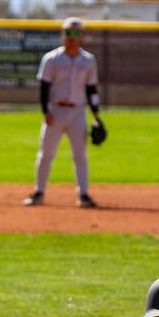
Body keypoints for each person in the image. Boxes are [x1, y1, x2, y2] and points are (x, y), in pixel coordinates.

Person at [23, 17, 101, 209]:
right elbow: (44, 88)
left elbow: (92, 89)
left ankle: (83, 195)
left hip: (77, 113)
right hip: (55, 111)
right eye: (68, 32)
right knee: (46, 154)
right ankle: (39, 192)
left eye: (75, 33)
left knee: (80, 156)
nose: (71, 37)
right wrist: (45, 111)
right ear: (62, 34)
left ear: (82, 36)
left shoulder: (88, 61)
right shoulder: (51, 59)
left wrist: (96, 115)